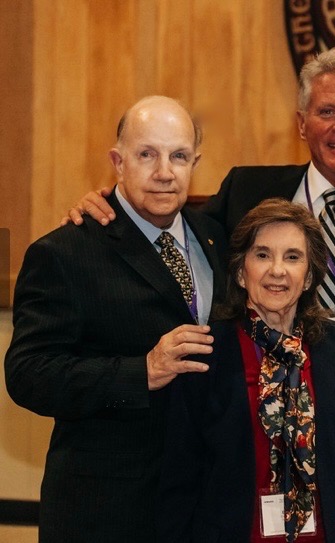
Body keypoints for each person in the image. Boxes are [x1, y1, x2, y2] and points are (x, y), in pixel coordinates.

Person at [66, 48, 335, 541]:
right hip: (238, 448)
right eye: (326, 111)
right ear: (301, 123)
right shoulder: (246, 191)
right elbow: (170, 225)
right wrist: (112, 200)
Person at [5, 96, 227, 542]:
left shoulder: (215, 238)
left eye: (178, 156)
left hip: (200, 504)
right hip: (106, 513)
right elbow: (28, 374)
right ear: (117, 161)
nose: (164, 171)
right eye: (147, 154)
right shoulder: (64, 253)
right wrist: (141, 371)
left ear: (195, 162)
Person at [158, 198, 335, 542]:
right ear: (239, 272)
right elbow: (179, 477)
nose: (277, 270)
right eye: (262, 255)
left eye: (292, 257)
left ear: (308, 277)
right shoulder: (206, 351)